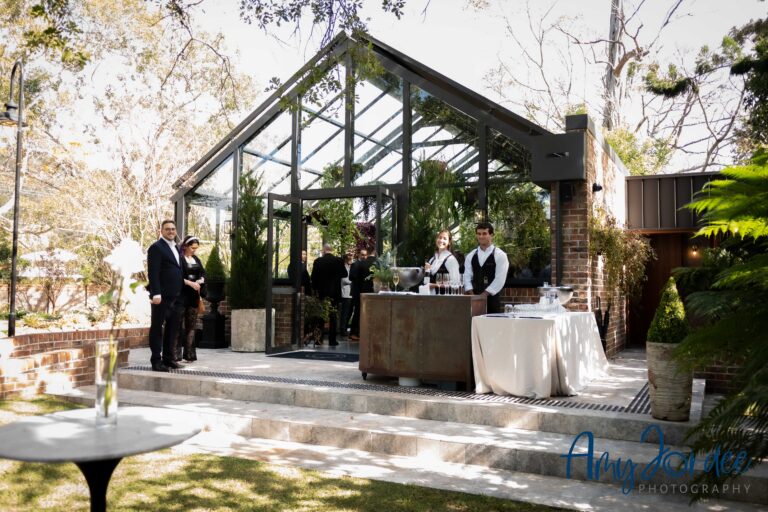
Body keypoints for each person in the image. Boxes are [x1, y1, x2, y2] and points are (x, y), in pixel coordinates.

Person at [147, 219, 184, 371]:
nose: (171, 231)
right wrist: (155, 293)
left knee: (172, 329)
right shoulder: (156, 247)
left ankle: (169, 359)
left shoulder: (176, 247)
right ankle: (156, 361)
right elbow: (153, 272)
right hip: (161, 296)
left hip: (177, 296)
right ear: (161, 231)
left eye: (173, 229)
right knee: (157, 328)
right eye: (167, 229)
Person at [463, 221, 509, 314]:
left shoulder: (500, 255)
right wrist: (473, 296)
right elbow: (466, 277)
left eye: (484, 233)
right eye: (479, 234)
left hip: (492, 301)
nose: (481, 236)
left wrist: (483, 295)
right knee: (474, 323)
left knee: (492, 323)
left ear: (491, 235)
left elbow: (500, 280)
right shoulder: (470, 256)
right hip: (474, 299)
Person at [310, 244, 347, 346]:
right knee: (333, 316)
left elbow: (313, 278)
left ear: (323, 250)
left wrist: (315, 290)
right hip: (335, 293)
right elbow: (345, 274)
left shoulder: (318, 261)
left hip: (322, 293)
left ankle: (319, 339)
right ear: (332, 250)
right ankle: (332, 340)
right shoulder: (338, 261)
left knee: (320, 316)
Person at [176, 235, 205, 362]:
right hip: (182, 295)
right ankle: (175, 355)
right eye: (192, 247)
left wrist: (201, 280)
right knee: (177, 326)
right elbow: (177, 276)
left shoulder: (196, 259)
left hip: (193, 297)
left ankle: (190, 355)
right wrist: (190, 283)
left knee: (191, 327)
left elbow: (203, 273)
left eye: (196, 248)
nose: (194, 250)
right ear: (186, 246)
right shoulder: (179, 259)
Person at [349, 247, 375, 341]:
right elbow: (352, 277)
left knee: (359, 312)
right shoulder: (356, 264)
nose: (364, 257)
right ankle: (353, 332)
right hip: (357, 291)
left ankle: (357, 332)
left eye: (365, 255)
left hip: (361, 290)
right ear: (359, 255)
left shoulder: (363, 264)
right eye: (362, 255)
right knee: (357, 312)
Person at [424, 229, 461, 294]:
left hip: (445, 298)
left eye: (444, 238)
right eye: (440, 237)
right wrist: (427, 272)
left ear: (449, 242)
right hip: (431, 297)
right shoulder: (432, 260)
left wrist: (435, 285)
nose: (441, 240)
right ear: (436, 239)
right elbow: (426, 283)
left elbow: (456, 284)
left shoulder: (451, 260)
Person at [338, 252, 354, 337]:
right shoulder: (343, 267)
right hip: (346, 293)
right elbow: (344, 280)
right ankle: (342, 329)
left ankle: (345, 327)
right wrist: (354, 281)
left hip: (351, 293)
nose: (351, 260)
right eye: (350, 258)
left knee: (349, 312)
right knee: (345, 312)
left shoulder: (350, 267)